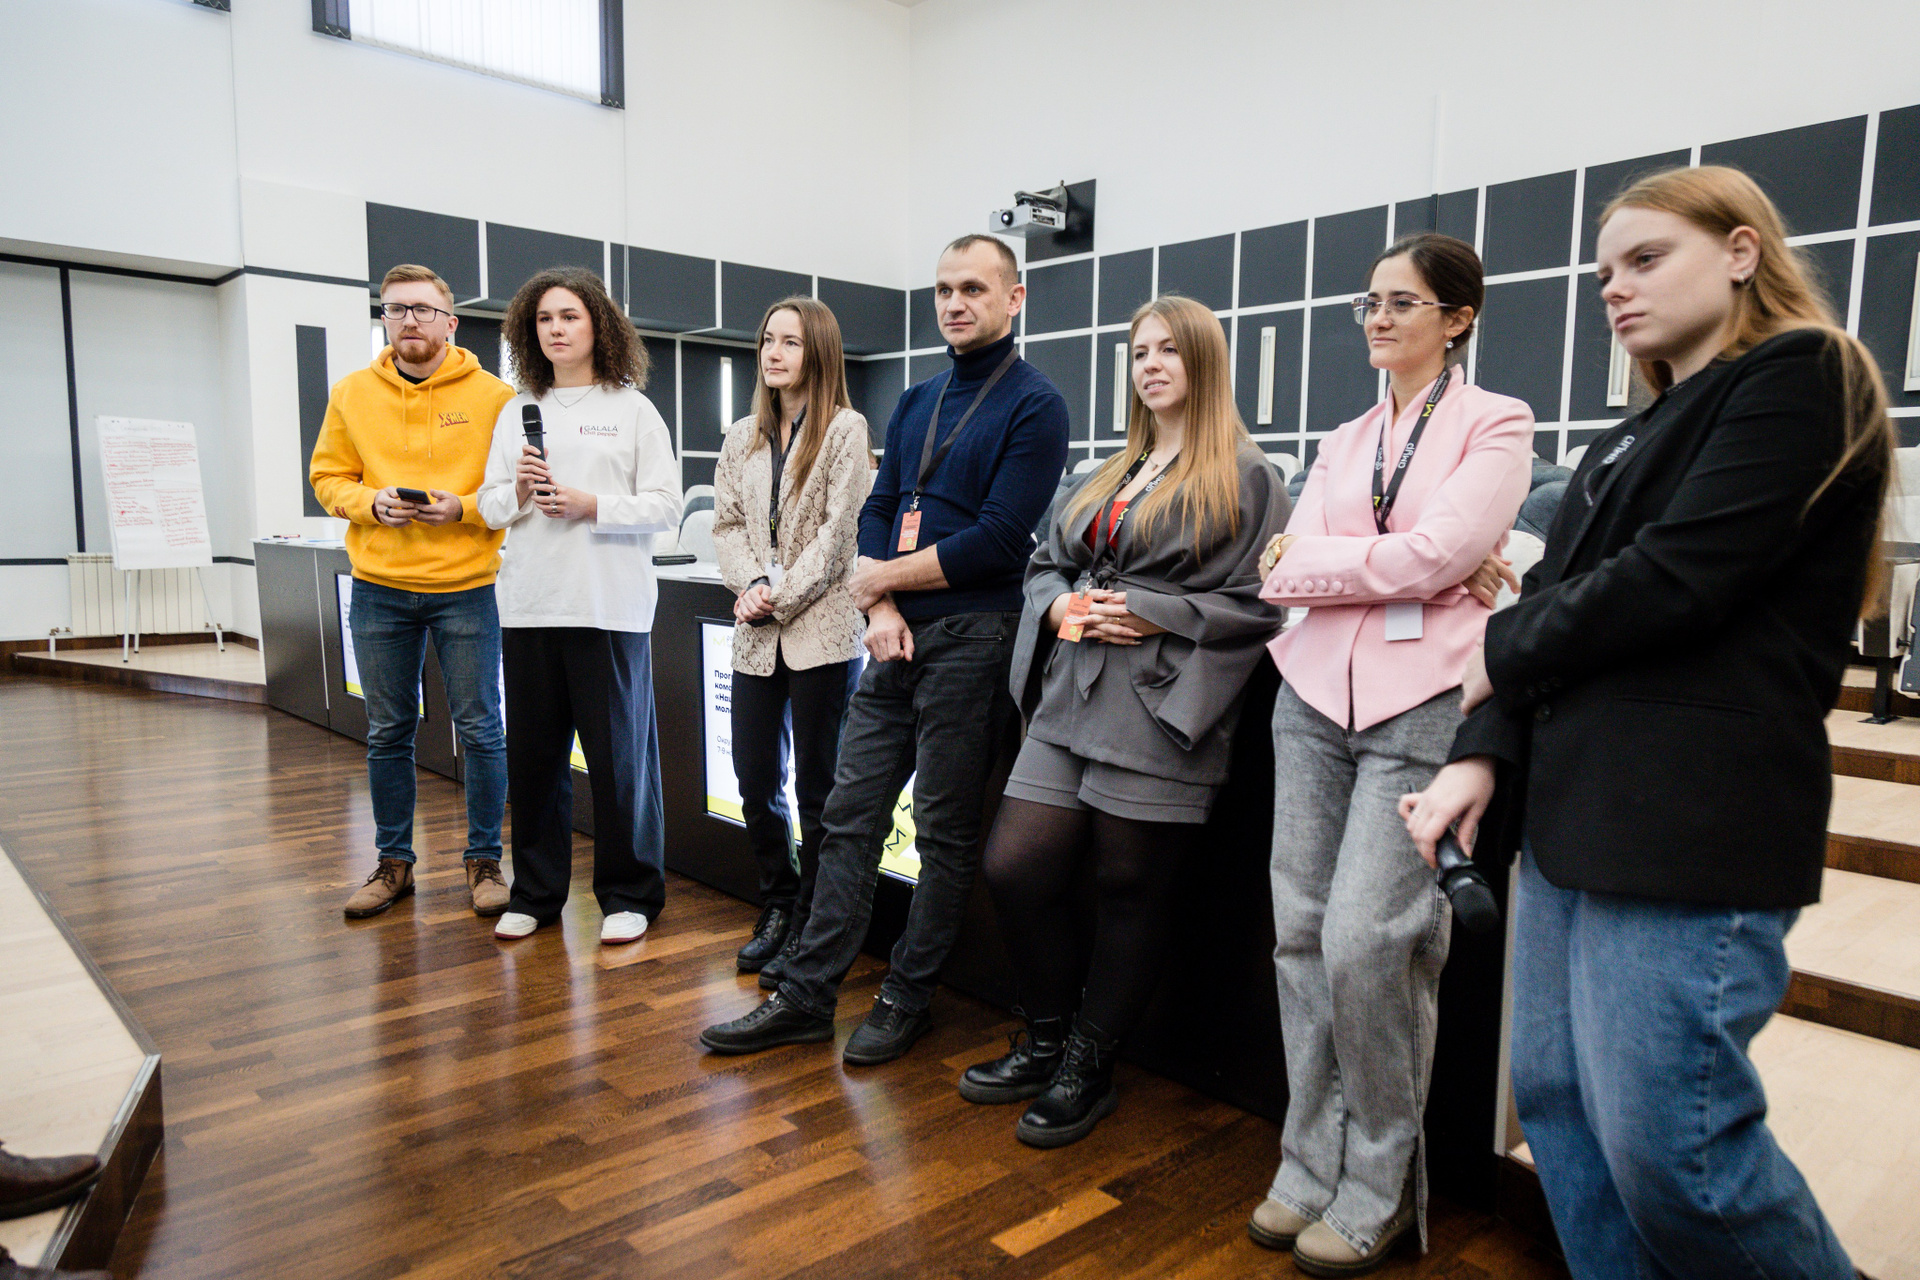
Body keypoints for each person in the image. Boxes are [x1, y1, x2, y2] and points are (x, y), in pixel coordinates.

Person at [1400, 166, 1891, 1280]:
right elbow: (1549, 597)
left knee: (1679, 1155)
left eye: (1646, 259)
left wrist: (1496, 649)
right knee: (1562, 1110)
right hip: (1575, 812)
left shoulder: (1805, 374)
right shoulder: (1631, 435)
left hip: (1688, 817)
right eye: (1604, 272)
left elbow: (1677, 578)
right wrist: (1482, 752)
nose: (1615, 288)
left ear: (1741, 252)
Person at [698, 233, 1070, 1063]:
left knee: (941, 831)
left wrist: (875, 582)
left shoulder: (1036, 404)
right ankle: (806, 995)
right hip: (893, 633)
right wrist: (883, 604)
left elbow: (999, 539)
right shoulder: (916, 400)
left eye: (973, 288)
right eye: (943, 289)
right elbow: (878, 509)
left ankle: (907, 996)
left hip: (975, 636)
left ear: (1014, 299)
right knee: (847, 816)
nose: (954, 303)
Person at [1248, 233, 1535, 1274]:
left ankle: (1378, 1182)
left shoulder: (1497, 422)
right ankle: (1307, 1162)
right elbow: (1278, 568)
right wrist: (1405, 566)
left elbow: (1441, 554)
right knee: (1300, 935)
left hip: (1422, 704)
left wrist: (1342, 560)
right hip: (1310, 696)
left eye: (1401, 302)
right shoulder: (1344, 436)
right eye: (1369, 302)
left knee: (1371, 942)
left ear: (1457, 318)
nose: (1376, 318)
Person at [960, 295, 1289, 1148]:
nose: (1150, 366)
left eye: (1168, 351)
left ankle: (1088, 1066)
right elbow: (1043, 564)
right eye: (1140, 352)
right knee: (1015, 867)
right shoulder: (1109, 470)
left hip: (1160, 702)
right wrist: (1060, 603)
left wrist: (1152, 610)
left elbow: (1260, 604)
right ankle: (1046, 1038)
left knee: (1130, 887)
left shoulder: (1248, 475)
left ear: (1203, 362)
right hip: (1070, 694)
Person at [475, 267, 681, 945]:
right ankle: (536, 894)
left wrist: (594, 505)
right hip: (530, 606)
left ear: (599, 324)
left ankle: (630, 894)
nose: (556, 329)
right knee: (535, 763)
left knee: (620, 765)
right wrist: (519, 492)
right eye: (544, 319)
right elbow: (489, 505)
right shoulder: (516, 409)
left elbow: (666, 507)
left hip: (608, 608)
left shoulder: (633, 409)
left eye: (569, 316)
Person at [313, 264, 517, 921]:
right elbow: (328, 477)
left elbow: (514, 491)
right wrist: (370, 503)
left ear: (449, 322)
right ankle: (394, 864)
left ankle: (485, 861)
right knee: (387, 732)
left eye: (423, 309)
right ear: (384, 319)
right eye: (396, 309)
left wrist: (462, 508)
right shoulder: (351, 393)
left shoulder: (496, 397)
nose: (409, 320)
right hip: (379, 588)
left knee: (481, 730)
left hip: (468, 588)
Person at [711, 297, 870, 974]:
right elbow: (726, 526)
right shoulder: (741, 436)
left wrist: (775, 596)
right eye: (767, 340)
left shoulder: (846, 430)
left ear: (819, 352)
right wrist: (750, 583)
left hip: (822, 631)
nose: (773, 353)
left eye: (791, 342)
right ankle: (778, 901)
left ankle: (812, 920)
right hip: (756, 633)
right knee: (754, 777)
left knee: (819, 790)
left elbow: (839, 536)